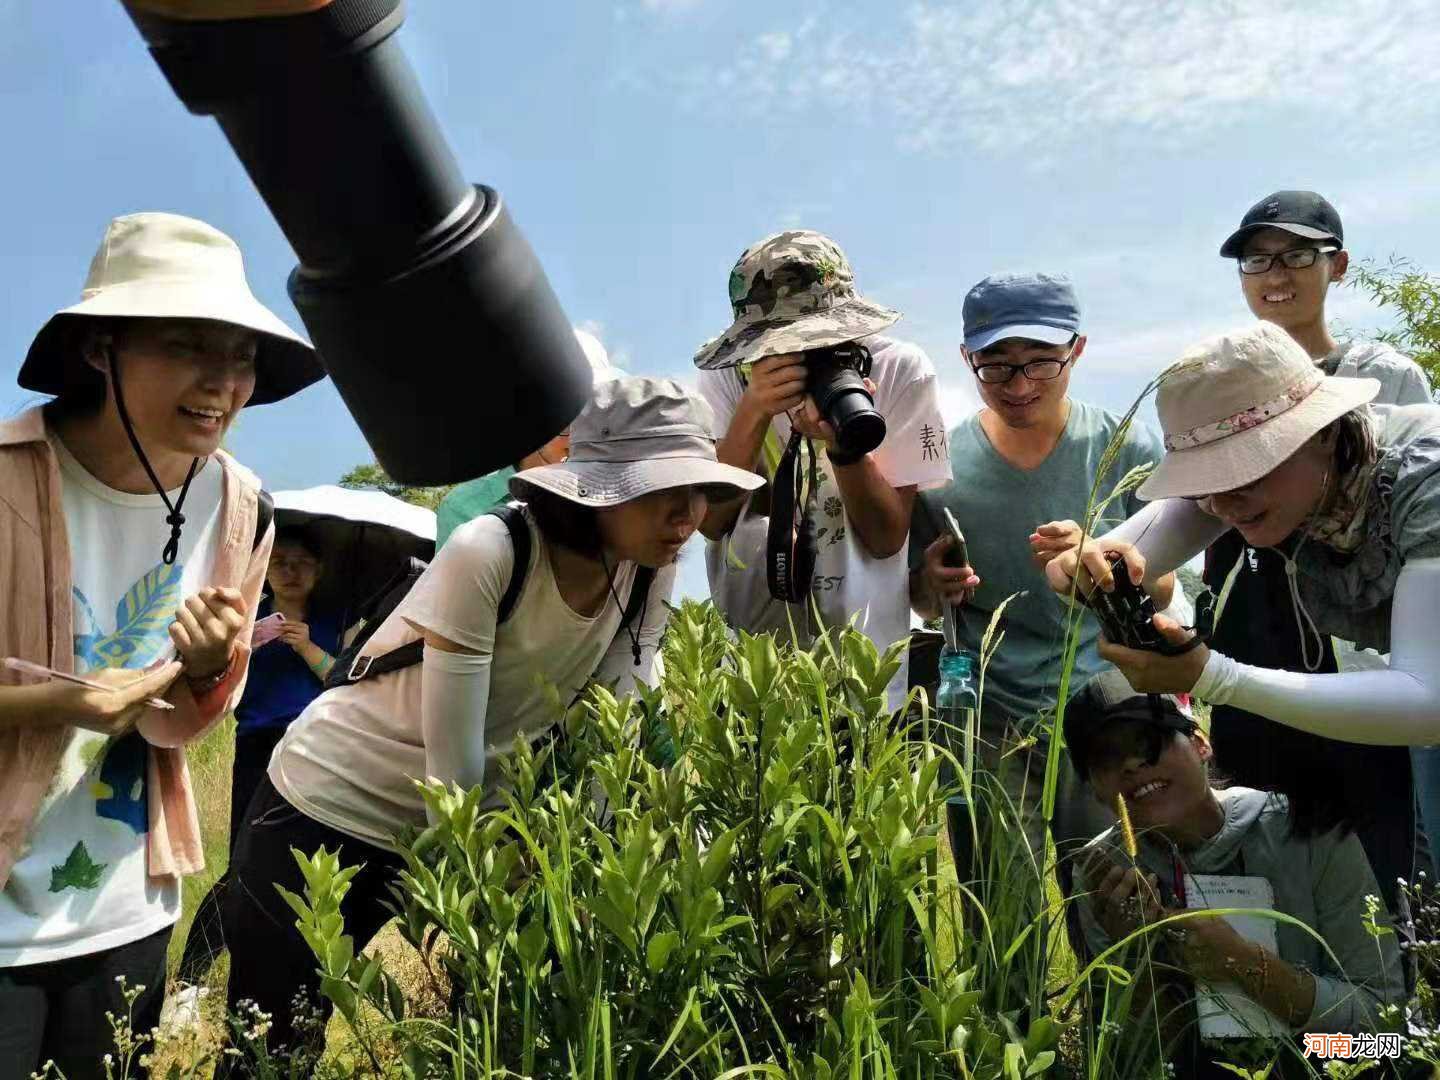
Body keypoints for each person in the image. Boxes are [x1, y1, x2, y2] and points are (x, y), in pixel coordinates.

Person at [222, 376, 761, 1054]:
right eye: (664, 490)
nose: (689, 514)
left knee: (499, 1035)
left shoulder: (650, 566)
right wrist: (499, 866)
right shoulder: (493, 549)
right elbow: (454, 769)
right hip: (335, 803)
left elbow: (617, 719)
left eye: (700, 490)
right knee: (272, 1045)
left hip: (471, 821)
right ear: (599, 487)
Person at [0, 212, 323, 1079]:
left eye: (243, 357)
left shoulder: (238, 500)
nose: (223, 383)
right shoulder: (6, 479)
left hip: (127, 902)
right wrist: (61, 703)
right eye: (188, 346)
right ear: (102, 349)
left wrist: (215, 666)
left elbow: (191, 715)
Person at [1046, 322, 1440, 786]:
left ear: (1324, 432)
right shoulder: (1282, 481)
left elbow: (1428, 699)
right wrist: (1076, 567)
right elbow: (1114, 557)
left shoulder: (1426, 481)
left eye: (1245, 470)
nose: (1220, 505)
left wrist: (1213, 677)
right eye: (1203, 483)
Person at [1211, 190, 1435, 905]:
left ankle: (1381, 1018)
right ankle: (1313, 1015)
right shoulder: (1222, 383)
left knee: (1388, 865)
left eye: (1297, 255)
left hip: (1364, 652)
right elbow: (1189, 518)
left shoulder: (1383, 374)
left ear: (1337, 267)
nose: (1275, 274)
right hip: (1261, 640)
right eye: (1257, 258)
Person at [908, 272, 1176, 866]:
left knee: (1118, 905)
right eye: (997, 365)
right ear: (967, 358)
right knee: (1002, 913)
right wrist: (934, 583)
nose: (1021, 383)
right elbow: (925, 604)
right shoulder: (938, 468)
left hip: (1103, 708)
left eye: (1042, 361)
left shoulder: (1128, 449)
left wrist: (1105, 557)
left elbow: (1161, 591)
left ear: (1076, 350)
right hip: (984, 717)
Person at [1070, 669, 1405, 1078]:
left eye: (1150, 742)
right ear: (1095, 792)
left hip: (1327, 1060)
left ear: (1200, 744)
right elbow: (1137, 1058)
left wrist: (1243, 962)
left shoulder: (1308, 830)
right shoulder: (1105, 876)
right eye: (1106, 759)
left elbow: (1386, 1033)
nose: (1133, 764)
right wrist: (1137, 961)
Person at [694, 230, 951, 711]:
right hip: (754, 677)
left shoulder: (898, 370)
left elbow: (886, 537)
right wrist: (753, 411)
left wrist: (845, 448)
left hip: (867, 679)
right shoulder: (727, 377)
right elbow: (709, 520)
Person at [170, 527, 344, 1016]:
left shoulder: (337, 621)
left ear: (320, 570)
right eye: (281, 561)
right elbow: (210, 680)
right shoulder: (242, 618)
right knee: (244, 865)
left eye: (302, 562)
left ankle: (284, 984)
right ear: (265, 568)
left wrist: (308, 648)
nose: (290, 571)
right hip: (259, 745)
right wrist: (244, 645)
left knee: (304, 868)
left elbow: (346, 682)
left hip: (316, 748)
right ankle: (191, 981)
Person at [434, 328, 615, 549]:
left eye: (593, 416)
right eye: (568, 417)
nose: (582, 435)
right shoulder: (464, 508)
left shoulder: (614, 500)